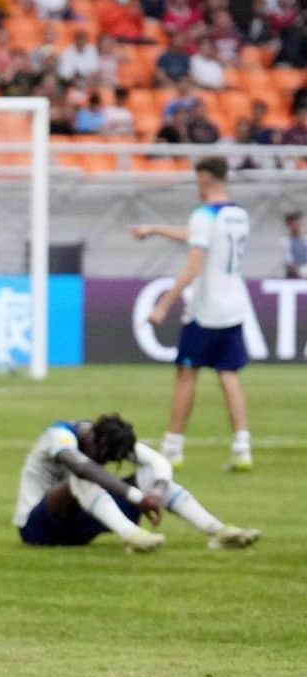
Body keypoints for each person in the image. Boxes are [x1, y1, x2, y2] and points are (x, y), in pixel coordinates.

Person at [131, 157, 254, 472]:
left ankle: (173, 447)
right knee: (228, 373)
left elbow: (193, 266)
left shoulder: (203, 214)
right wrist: (156, 229)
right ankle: (242, 448)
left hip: (206, 309)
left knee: (187, 374)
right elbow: (198, 235)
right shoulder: (238, 214)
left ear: (204, 179)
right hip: (235, 306)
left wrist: (163, 304)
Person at [14, 413, 260, 552]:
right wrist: (136, 497)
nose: (105, 461)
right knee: (84, 477)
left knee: (149, 477)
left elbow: (158, 463)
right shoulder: (59, 436)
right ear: (94, 441)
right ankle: (131, 535)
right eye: (105, 456)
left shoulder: (106, 437)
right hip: (38, 528)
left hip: (78, 529)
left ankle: (217, 531)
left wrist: (156, 492)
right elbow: (82, 467)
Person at [280, 209, 307, 278]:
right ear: (289, 225)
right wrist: (301, 274)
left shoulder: (305, 239)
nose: (298, 226)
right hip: (295, 276)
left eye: (299, 223)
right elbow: (288, 262)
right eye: (295, 223)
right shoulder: (284, 241)